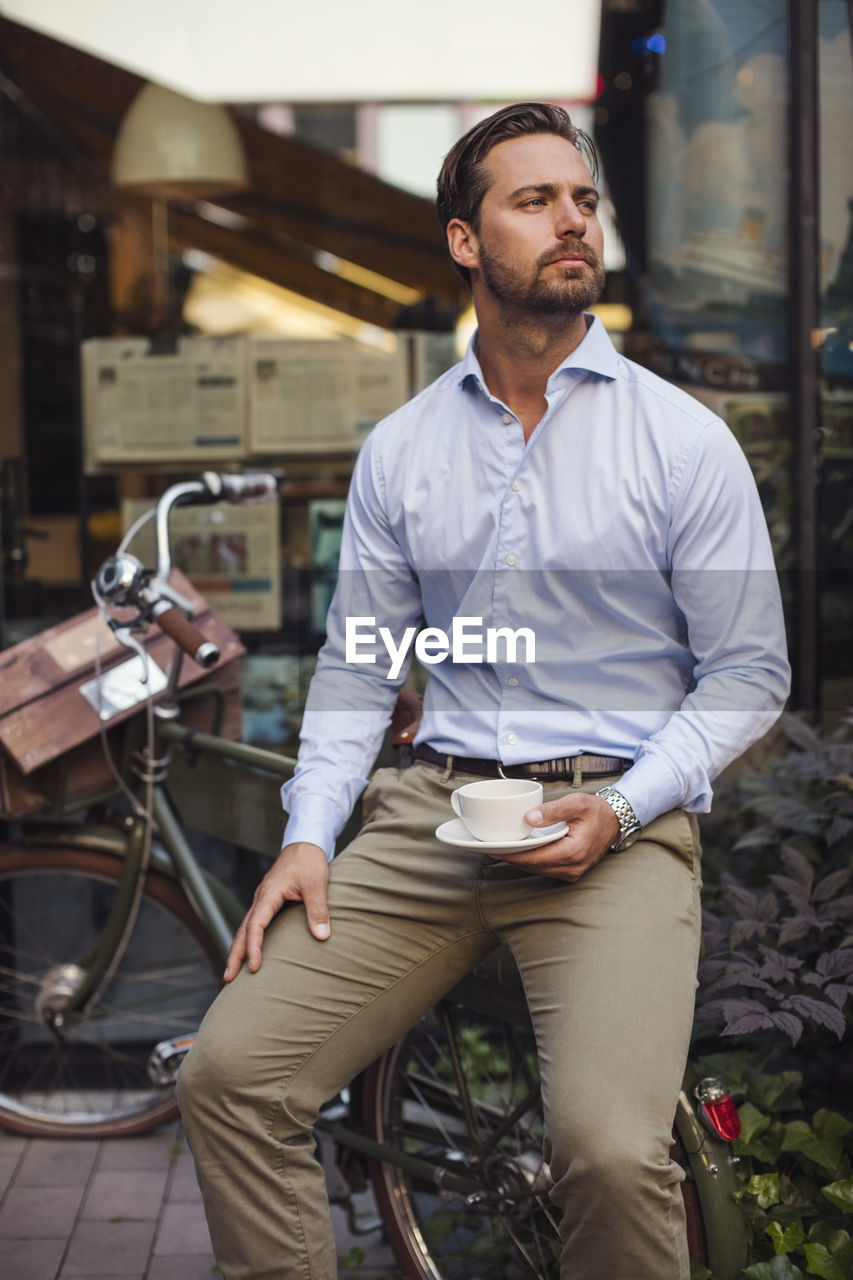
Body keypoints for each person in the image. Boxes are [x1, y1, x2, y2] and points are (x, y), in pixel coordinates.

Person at [177, 102, 790, 1280]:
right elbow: (361, 660)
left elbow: (749, 672)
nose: (572, 220)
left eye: (582, 199)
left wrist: (624, 805)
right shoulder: (402, 450)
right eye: (534, 200)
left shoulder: (682, 441)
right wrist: (309, 834)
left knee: (610, 1153)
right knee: (230, 1076)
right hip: (431, 821)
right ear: (465, 242)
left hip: (612, 823)